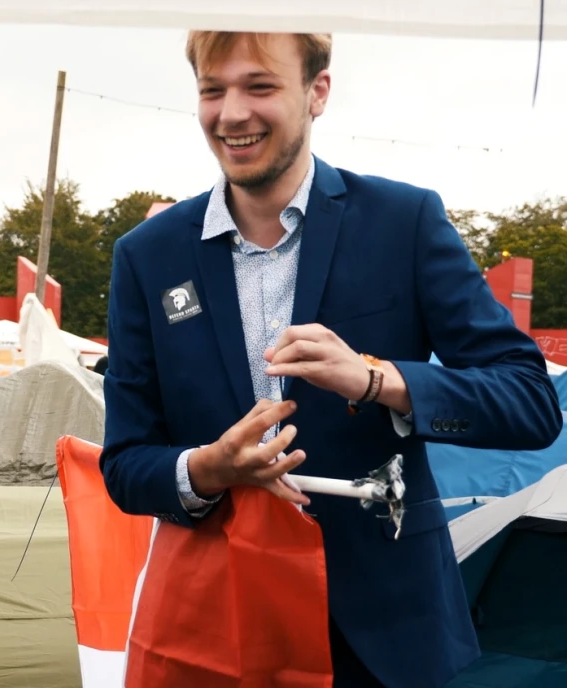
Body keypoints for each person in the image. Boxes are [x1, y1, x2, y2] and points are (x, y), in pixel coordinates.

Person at [100, 32, 561, 688]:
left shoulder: (405, 222)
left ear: (317, 92)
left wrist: (382, 380)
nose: (231, 112)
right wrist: (207, 468)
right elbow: (123, 464)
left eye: (259, 86)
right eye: (212, 90)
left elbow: (530, 401)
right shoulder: (147, 257)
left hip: (385, 639)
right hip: (222, 632)